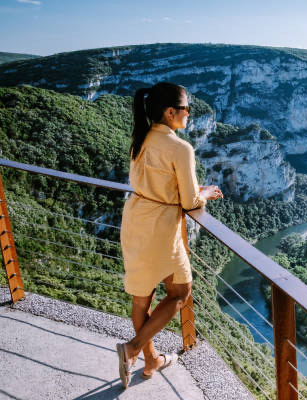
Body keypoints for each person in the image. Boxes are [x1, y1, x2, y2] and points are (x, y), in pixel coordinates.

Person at [116, 82, 223, 388]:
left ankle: (151, 361)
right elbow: (189, 202)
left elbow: (160, 186)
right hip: (161, 229)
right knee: (179, 293)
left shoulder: (141, 138)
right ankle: (133, 348)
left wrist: (189, 193)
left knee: (142, 298)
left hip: (135, 219)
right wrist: (205, 194)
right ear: (170, 111)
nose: (190, 113)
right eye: (186, 108)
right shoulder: (180, 148)